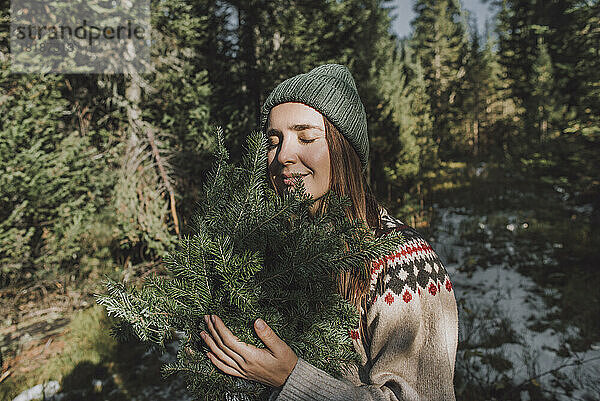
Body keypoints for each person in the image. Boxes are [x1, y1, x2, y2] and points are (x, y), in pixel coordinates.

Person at [200, 64, 458, 401]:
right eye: (273, 141)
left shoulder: (404, 261)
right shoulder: (278, 252)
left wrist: (291, 380)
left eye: (306, 136)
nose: (283, 156)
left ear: (343, 148)